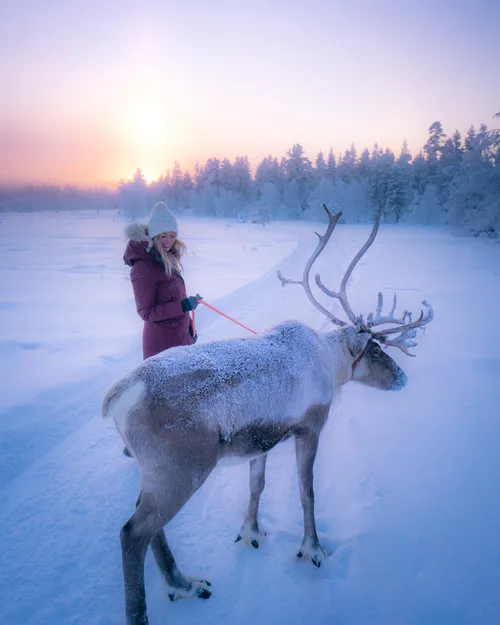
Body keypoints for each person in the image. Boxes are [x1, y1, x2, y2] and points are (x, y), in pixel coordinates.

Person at [123, 201, 201, 361]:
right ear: (154, 236)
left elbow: (175, 299)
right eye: (163, 235)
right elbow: (146, 312)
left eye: (172, 235)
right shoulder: (143, 268)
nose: (168, 240)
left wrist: (189, 328)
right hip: (161, 348)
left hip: (179, 340)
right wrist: (183, 305)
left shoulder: (167, 259)